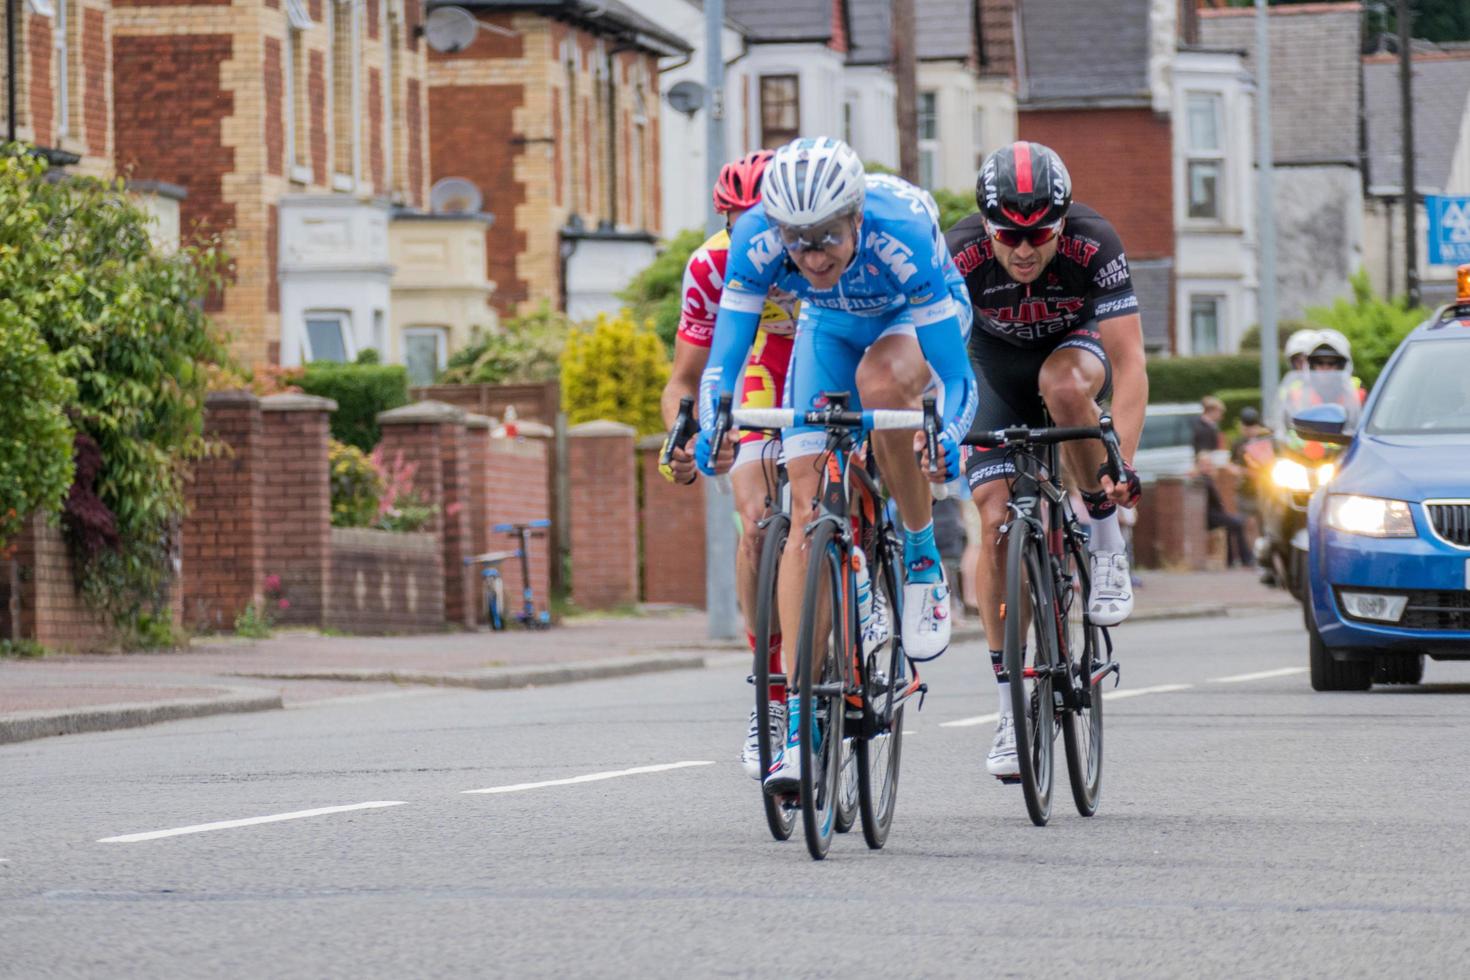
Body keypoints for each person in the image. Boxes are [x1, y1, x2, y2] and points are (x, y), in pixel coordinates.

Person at [696, 136, 977, 794]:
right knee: (804, 509)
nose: (812, 255)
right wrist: (713, 419)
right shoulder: (759, 241)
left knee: (882, 386)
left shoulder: (902, 231)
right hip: (828, 326)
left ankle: (918, 549)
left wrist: (951, 433)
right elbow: (722, 364)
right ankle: (797, 724)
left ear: (856, 219)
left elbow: (959, 382)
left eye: (825, 238)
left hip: (910, 317)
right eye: (798, 241)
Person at [946, 141, 1147, 780]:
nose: (1026, 249)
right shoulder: (958, 252)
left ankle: (1104, 537)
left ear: (1063, 222)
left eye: (1041, 234)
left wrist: (1123, 468)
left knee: (1065, 389)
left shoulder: (1095, 242)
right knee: (996, 516)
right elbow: (938, 358)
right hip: (992, 372)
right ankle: (1010, 711)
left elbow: (1133, 363)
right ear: (986, 224)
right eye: (1010, 235)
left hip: (1074, 352)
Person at [660, 150, 803, 780]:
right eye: (741, 223)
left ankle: (866, 577)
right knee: (756, 525)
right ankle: (770, 691)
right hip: (759, 370)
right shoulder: (711, 263)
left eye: (766, 223)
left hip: (830, 358)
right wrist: (685, 436)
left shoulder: (819, 247)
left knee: (840, 477)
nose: (757, 238)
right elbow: (684, 380)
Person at [1196, 451, 1250, 567]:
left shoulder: (1207, 479)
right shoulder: (1203, 480)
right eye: (1205, 464)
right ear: (1199, 465)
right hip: (1210, 517)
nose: (1208, 467)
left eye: (1209, 464)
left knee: (1233, 524)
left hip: (1215, 515)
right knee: (1237, 523)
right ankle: (1246, 558)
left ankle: (1231, 560)